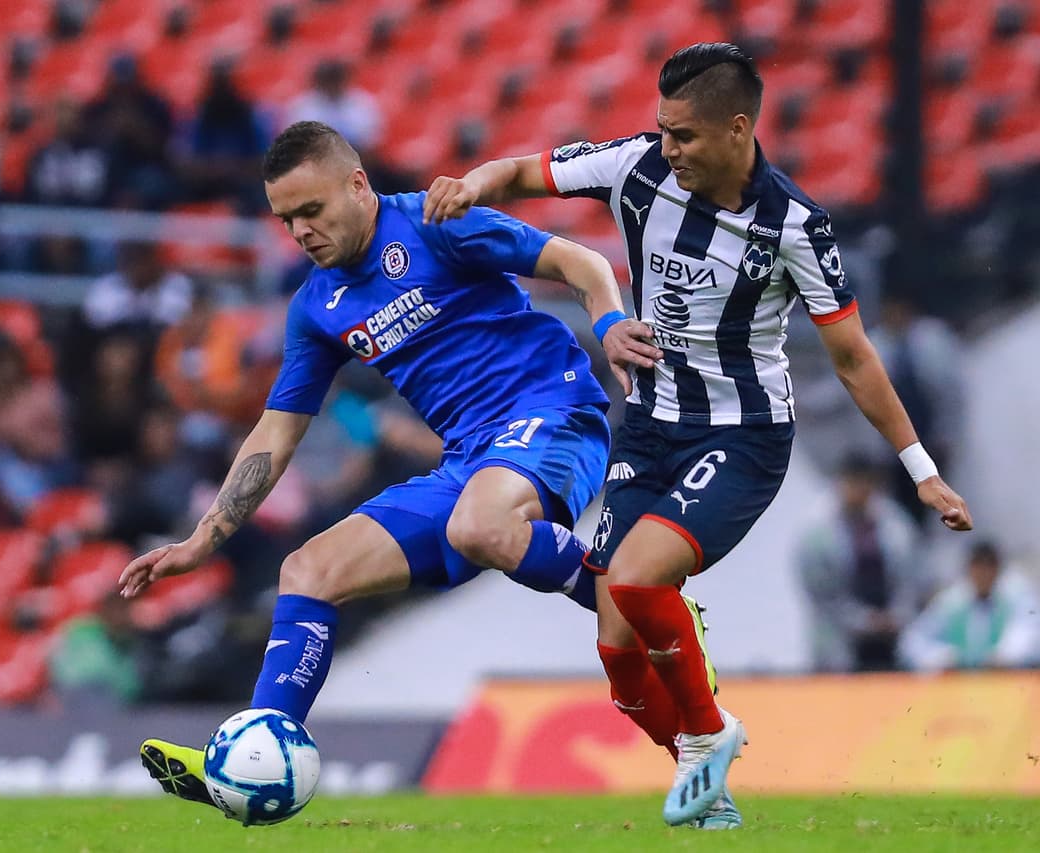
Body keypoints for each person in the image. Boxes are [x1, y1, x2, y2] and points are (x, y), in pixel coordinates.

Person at [424, 42, 974, 827]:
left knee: (643, 580)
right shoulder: (637, 168)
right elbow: (521, 172)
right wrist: (472, 181)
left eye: (682, 134)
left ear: (737, 129)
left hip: (743, 435)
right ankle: (711, 795)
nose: (667, 147)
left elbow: (853, 357)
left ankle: (711, 735)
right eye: (662, 129)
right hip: (650, 429)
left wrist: (919, 468)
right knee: (619, 659)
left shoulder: (795, 226)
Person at [118, 120, 663, 816]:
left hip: (554, 415)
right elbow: (275, 432)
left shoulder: (437, 223)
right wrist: (203, 538)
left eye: (311, 211)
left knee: (480, 523)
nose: (301, 232)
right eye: (286, 221)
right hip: (469, 461)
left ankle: (641, 603)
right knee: (306, 571)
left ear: (357, 185)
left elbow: (579, 261)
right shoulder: (317, 306)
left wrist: (612, 322)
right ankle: (255, 756)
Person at [795, 453, 923, 673]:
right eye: (853, 483)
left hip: (893, 636)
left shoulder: (895, 526)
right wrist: (864, 621)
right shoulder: (817, 534)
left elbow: (913, 576)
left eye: (865, 483)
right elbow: (822, 596)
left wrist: (897, 615)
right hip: (838, 641)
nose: (859, 491)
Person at [899, 541, 1040, 672]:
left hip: (1006, 685)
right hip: (957, 689)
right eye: (978, 566)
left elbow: (1028, 635)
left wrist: (1006, 656)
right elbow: (912, 641)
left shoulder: (1016, 597)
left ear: (999, 568)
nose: (984, 573)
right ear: (969, 568)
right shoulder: (951, 602)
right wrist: (941, 657)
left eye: (989, 566)